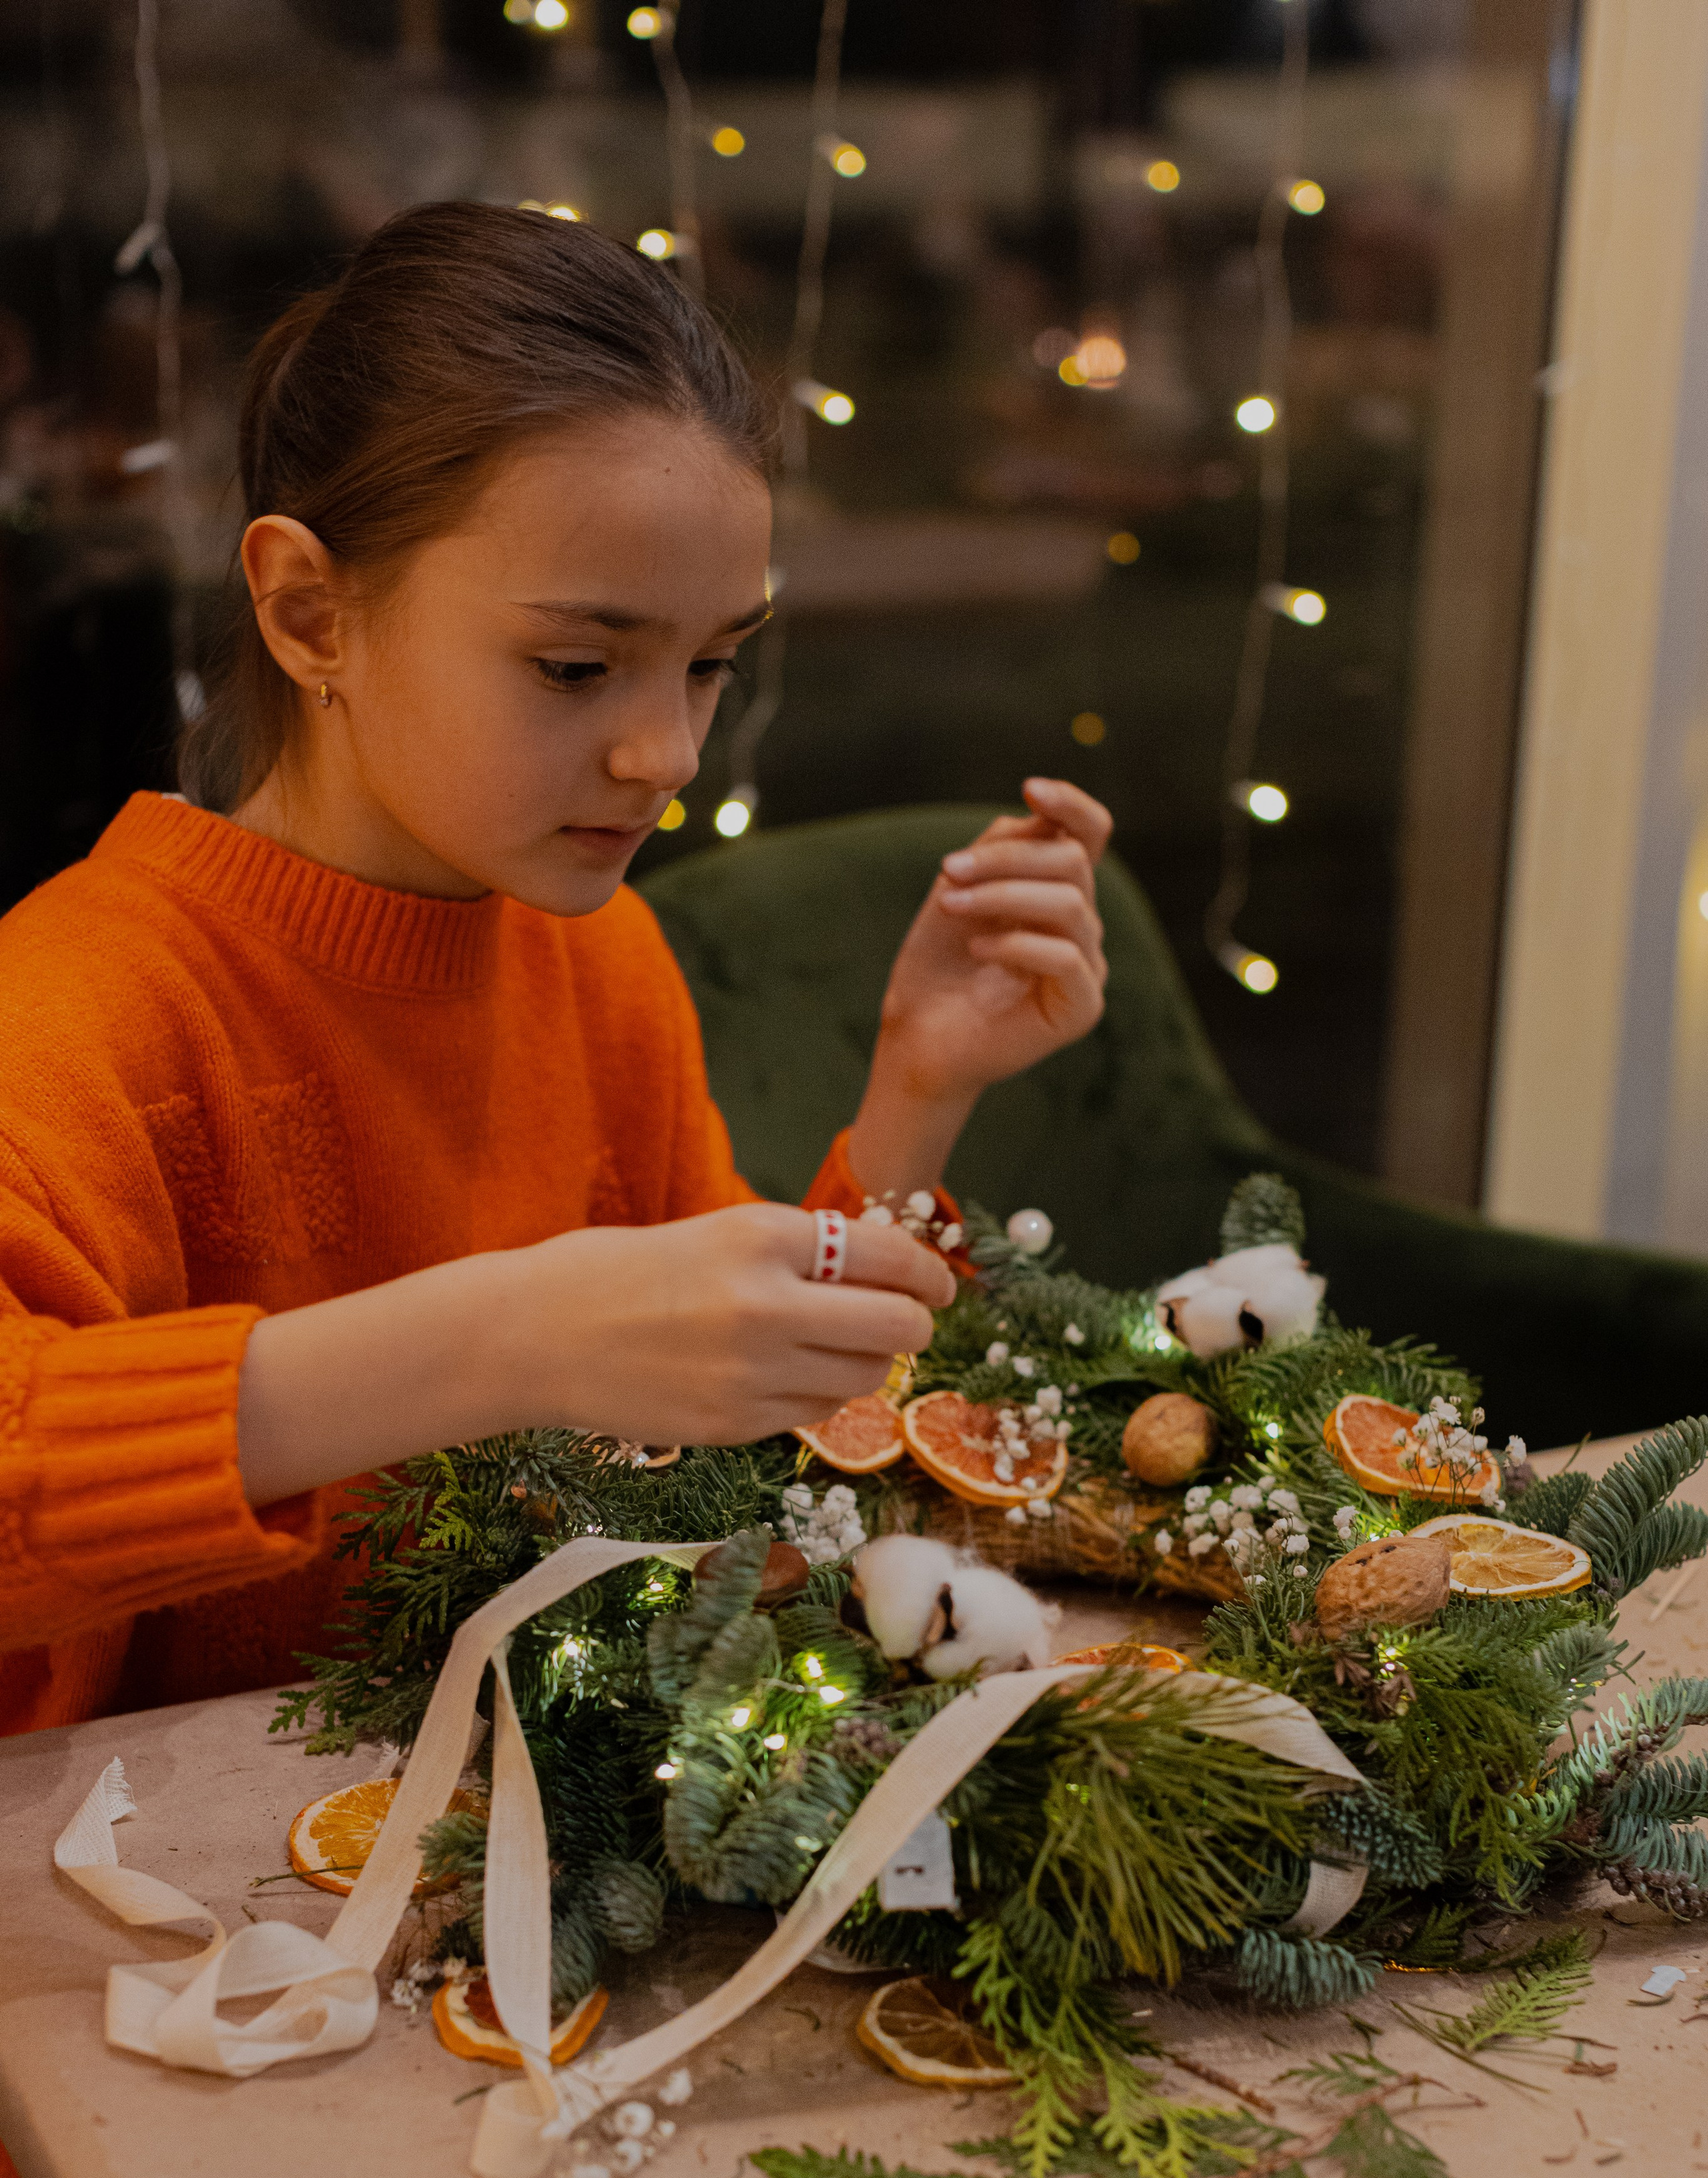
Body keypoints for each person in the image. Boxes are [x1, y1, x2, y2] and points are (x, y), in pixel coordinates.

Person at [0, 200, 1109, 1751]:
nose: (667, 754)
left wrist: (914, 1095)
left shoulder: (595, 954)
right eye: (576, 667)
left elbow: (725, 1455)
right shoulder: (75, 1011)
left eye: (709, 663)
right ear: (310, 613)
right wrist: (503, 1338)